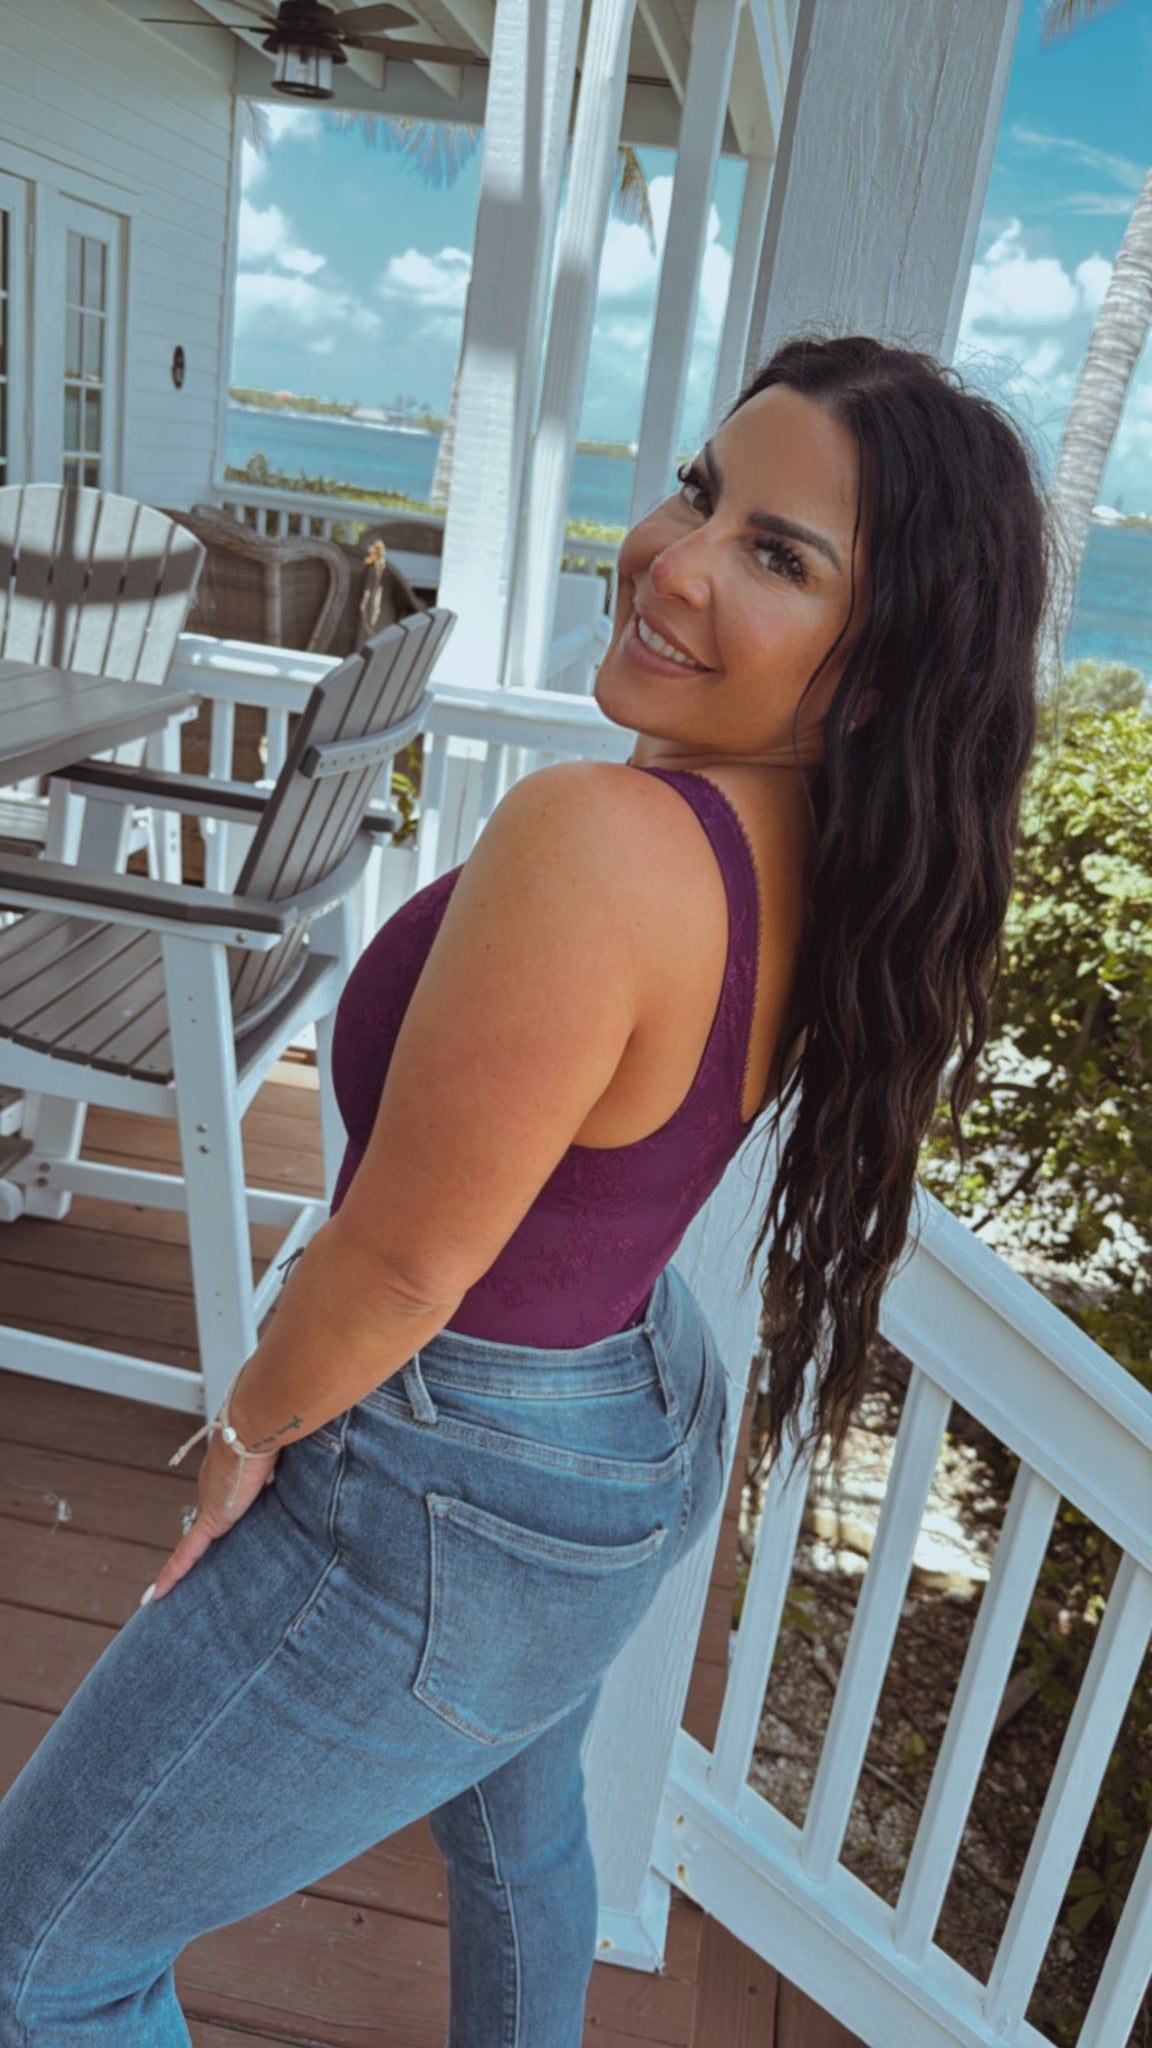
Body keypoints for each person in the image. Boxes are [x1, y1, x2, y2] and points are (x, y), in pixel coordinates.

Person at [0, 335, 1047, 2046]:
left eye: (778, 558)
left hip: (446, 1479)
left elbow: (404, 1264)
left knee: (38, 1966)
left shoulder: (601, 839)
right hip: (628, 1415)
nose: (674, 562)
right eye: (701, 493)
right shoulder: (820, 854)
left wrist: (244, 1427)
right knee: (520, 1822)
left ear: (878, 671)